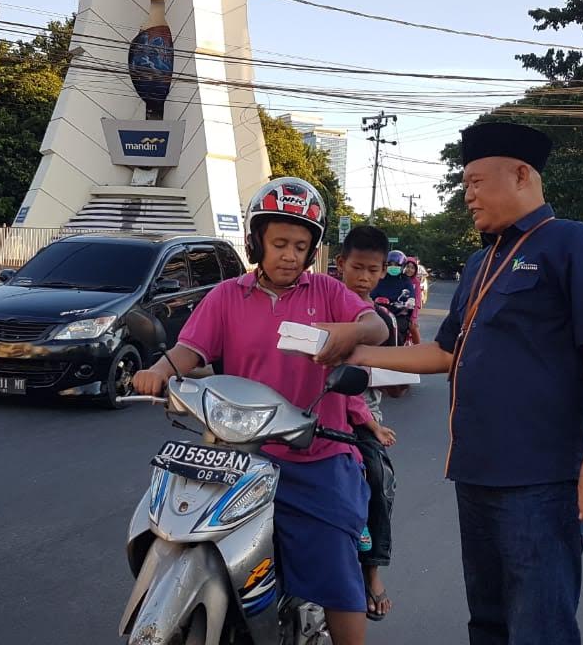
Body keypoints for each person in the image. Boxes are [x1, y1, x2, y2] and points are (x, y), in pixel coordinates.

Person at [349, 121, 583, 645]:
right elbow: (445, 352)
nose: (468, 196)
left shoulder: (570, 243)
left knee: (540, 627)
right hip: (476, 476)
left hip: (541, 481)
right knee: (487, 622)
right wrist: (357, 352)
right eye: (466, 184)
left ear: (521, 175)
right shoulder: (481, 262)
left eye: (476, 182)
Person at [131, 177, 390, 645]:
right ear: (256, 243)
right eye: (279, 244)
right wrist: (159, 370)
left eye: (300, 246)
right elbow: (190, 349)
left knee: (335, 568)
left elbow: (376, 327)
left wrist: (350, 333)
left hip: (317, 455)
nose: (289, 255)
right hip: (239, 454)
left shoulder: (327, 293)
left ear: (312, 251)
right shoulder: (226, 295)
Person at [334, 224, 400, 623]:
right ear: (340, 263)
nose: (364, 277)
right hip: (318, 407)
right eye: (357, 267)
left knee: (377, 477)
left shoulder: (383, 319)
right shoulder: (323, 306)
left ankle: (372, 569)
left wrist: (395, 376)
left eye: (372, 270)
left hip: (363, 418)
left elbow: (394, 383)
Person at [371, 250, 417, 346]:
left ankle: (398, 351)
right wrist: (374, 300)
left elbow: (411, 296)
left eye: (396, 265)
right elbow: (371, 294)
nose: (393, 267)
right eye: (390, 264)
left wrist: (410, 301)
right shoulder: (380, 279)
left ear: (402, 266)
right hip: (379, 313)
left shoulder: (406, 280)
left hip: (399, 315)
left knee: (397, 328)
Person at [401, 258, 424, 344]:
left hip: (410, 311)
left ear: (415, 270)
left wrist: (413, 317)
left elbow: (417, 299)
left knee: (413, 327)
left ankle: (418, 348)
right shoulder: (399, 279)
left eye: (412, 268)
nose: (409, 269)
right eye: (407, 267)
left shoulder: (416, 282)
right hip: (397, 309)